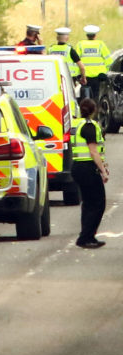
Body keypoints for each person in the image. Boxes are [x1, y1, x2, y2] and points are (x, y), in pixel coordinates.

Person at [71, 98, 109, 249]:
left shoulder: (78, 124)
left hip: (79, 167)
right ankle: (86, 237)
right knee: (98, 203)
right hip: (87, 168)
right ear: (94, 110)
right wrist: (103, 171)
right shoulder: (89, 126)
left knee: (88, 204)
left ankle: (87, 236)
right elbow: (93, 151)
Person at [75, 25, 113, 102]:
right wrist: (107, 73)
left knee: (85, 96)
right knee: (96, 96)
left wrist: (78, 75)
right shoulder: (100, 44)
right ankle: (95, 111)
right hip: (98, 77)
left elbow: (76, 61)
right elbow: (108, 60)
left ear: (86, 35)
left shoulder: (80, 44)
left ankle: (87, 111)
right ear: (95, 35)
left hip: (85, 76)